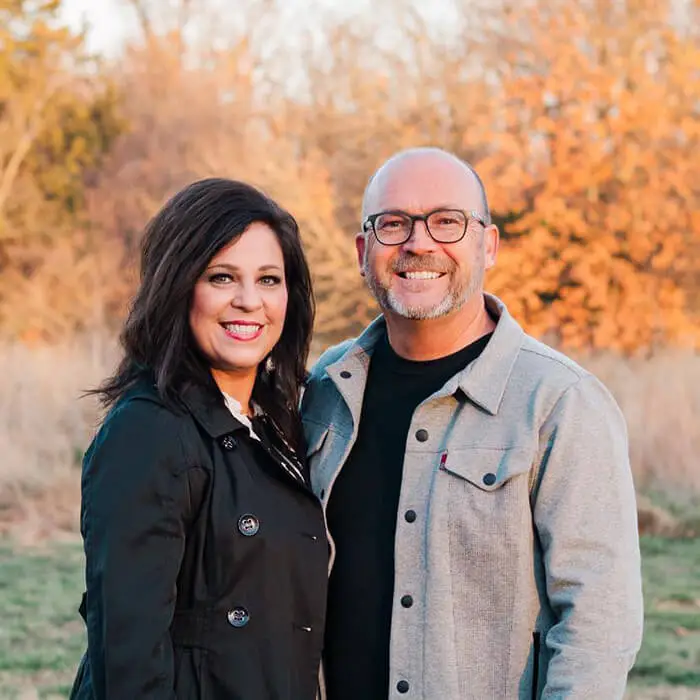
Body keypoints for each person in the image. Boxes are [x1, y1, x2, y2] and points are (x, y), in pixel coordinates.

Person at [301, 148, 643, 700]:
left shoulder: (559, 402)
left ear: (488, 245)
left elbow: (599, 623)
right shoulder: (326, 388)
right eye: (394, 224)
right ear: (364, 252)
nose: (418, 242)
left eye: (447, 221)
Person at [70, 178, 328, 700]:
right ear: (178, 285)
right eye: (222, 277)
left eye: (269, 279)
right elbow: (128, 659)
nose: (249, 301)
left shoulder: (280, 421)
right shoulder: (147, 432)